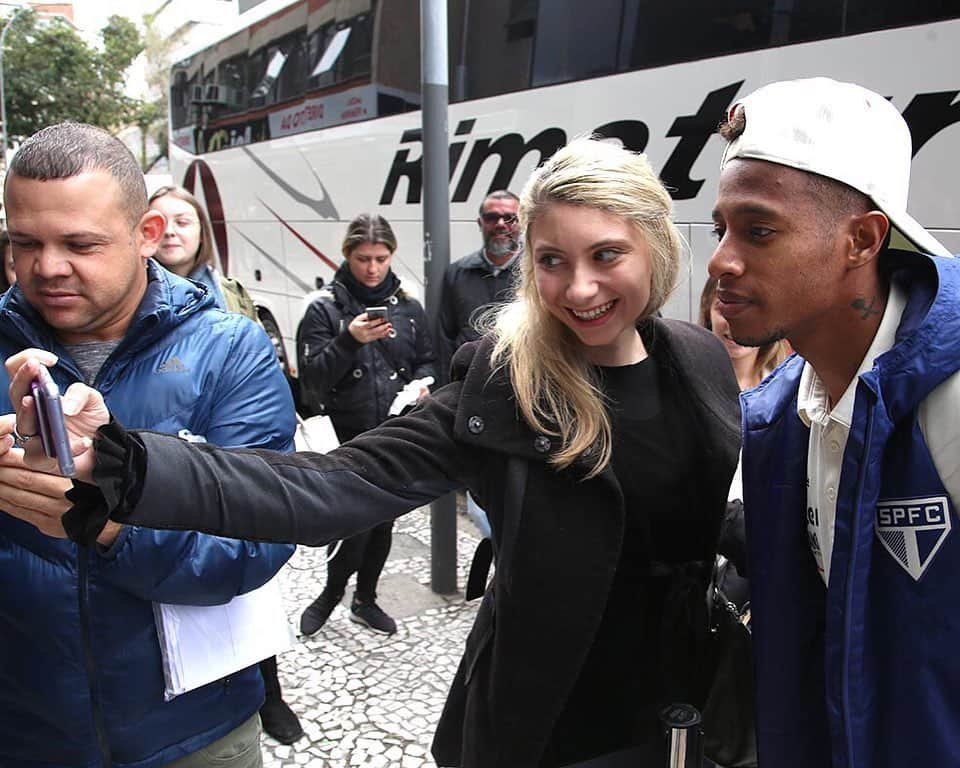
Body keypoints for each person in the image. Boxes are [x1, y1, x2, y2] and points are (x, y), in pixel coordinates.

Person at [6, 137, 741, 767]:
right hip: (546, 719)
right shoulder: (503, 382)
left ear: (657, 244)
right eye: (551, 260)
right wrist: (123, 462)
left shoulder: (699, 358)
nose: (578, 287)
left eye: (606, 254)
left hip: (681, 709)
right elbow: (328, 486)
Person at [0, 122, 297, 768]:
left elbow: (258, 541)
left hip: (195, 735)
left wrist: (101, 520)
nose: (48, 267)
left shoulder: (230, 350)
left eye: (80, 244)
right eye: (25, 243)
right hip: (25, 733)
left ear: (147, 236)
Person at [705, 78, 959, 767]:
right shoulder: (777, 417)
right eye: (722, 227)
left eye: (759, 230)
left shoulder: (951, 399)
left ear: (862, 240)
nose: (721, 260)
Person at [148, 184, 304, 745]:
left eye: (184, 220)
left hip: (228, 457)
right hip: (166, 466)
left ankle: (269, 693)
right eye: (158, 219)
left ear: (202, 233)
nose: (171, 230)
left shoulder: (230, 296)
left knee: (245, 587)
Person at [296, 213, 436, 637]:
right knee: (353, 523)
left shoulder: (409, 306)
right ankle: (331, 594)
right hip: (345, 437)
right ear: (347, 255)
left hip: (397, 431)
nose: (373, 268)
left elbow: (429, 359)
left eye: (380, 257)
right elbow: (311, 378)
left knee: (384, 521)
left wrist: (424, 385)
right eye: (363, 258)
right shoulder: (323, 308)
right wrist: (349, 339)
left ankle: (366, 599)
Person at [438, 189, 521, 379]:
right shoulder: (457, 273)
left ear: (522, 222)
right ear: (480, 223)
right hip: (467, 383)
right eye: (492, 217)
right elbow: (444, 338)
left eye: (509, 218)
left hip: (521, 381)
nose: (501, 224)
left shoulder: (535, 273)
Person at [148, 185, 257, 318]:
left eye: (182, 222)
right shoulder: (129, 299)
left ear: (201, 233)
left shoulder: (233, 295)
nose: (169, 231)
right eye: (159, 224)